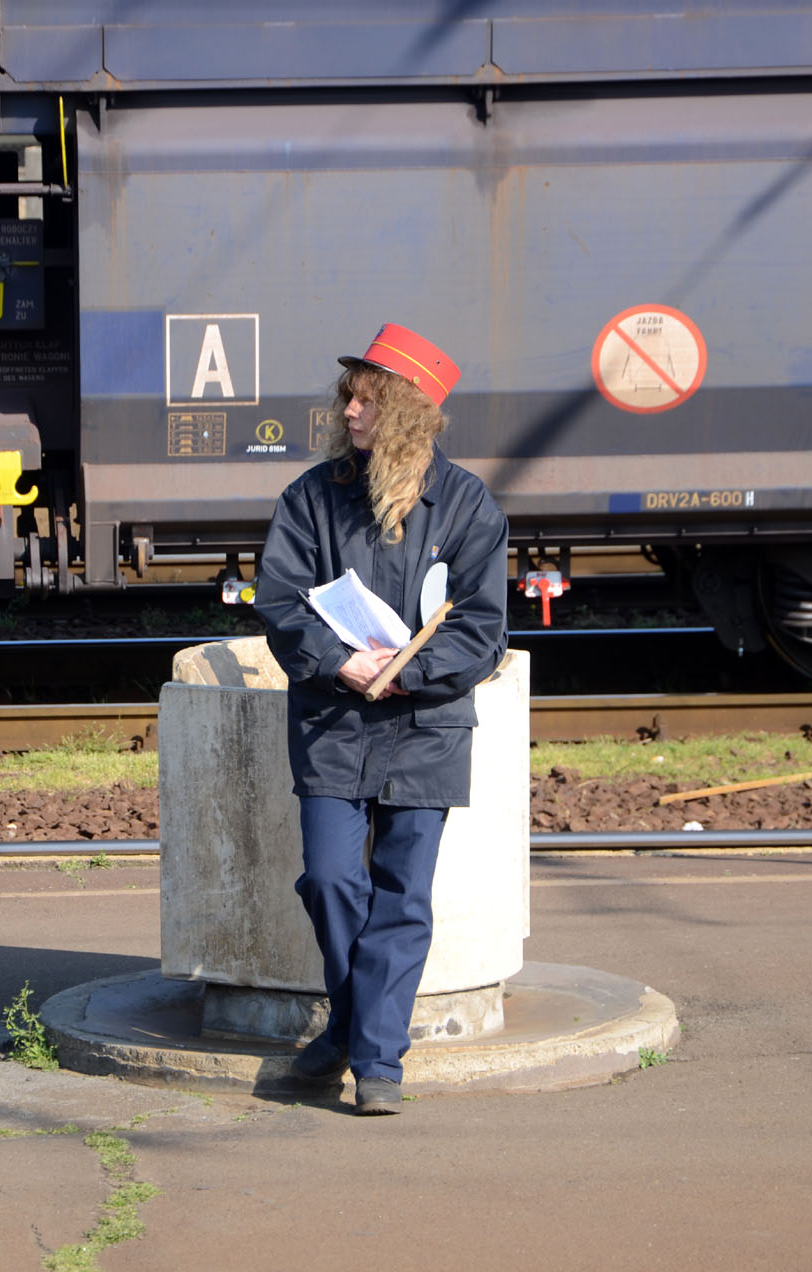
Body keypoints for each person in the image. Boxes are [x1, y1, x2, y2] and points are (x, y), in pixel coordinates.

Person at [252, 323, 509, 1115]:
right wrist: (342, 661)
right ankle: (354, 1028)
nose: (349, 412)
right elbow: (279, 600)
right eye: (348, 397)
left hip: (426, 725)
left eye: (365, 399)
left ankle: (375, 1064)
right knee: (331, 878)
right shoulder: (312, 496)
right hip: (332, 719)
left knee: (402, 893)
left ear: (404, 410)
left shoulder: (466, 505)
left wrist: (408, 671)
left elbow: (482, 628)